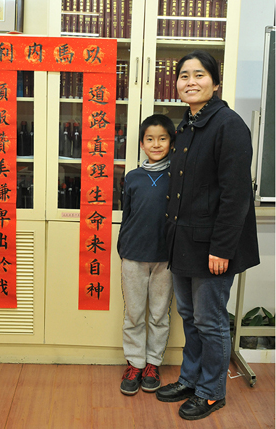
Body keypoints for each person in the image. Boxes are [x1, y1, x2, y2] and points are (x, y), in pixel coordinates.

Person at [156, 50, 260, 420]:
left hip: (213, 247)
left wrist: (223, 248)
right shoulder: (186, 125)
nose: (190, 82)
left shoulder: (229, 125)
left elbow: (236, 195)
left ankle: (212, 392)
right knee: (189, 315)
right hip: (184, 242)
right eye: (184, 75)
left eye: (199, 75)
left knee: (211, 320)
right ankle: (191, 379)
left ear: (215, 83)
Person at [117, 114, 175, 396]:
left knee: (159, 315)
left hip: (166, 259)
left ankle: (152, 364)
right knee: (134, 314)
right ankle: (135, 364)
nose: (156, 144)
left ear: (171, 142)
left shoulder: (177, 177)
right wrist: (123, 247)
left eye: (162, 138)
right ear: (141, 143)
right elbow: (127, 214)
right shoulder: (133, 177)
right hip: (133, 256)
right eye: (150, 139)